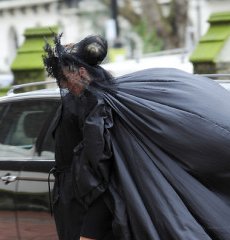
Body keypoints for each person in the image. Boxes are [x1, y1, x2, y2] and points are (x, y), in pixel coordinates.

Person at [43, 33, 230, 240]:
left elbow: (99, 164)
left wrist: (89, 227)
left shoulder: (93, 104)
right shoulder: (104, 97)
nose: (63, 85)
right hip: (96, 195)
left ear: (80, 72)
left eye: (64, 78)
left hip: (92, 201)